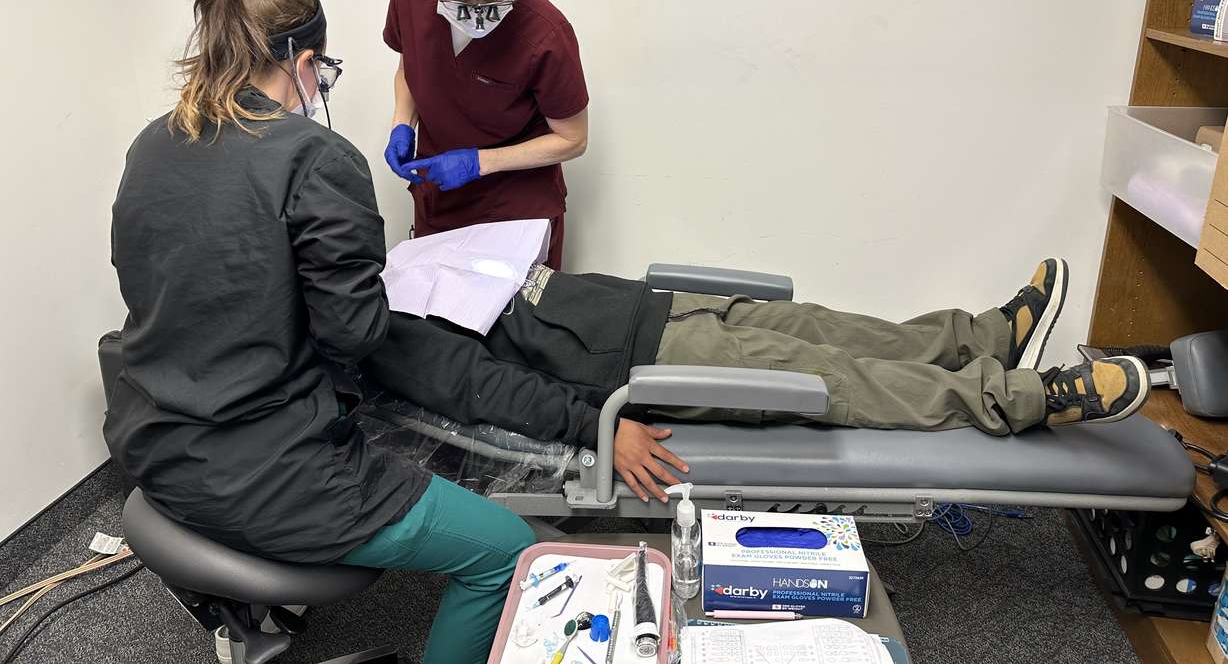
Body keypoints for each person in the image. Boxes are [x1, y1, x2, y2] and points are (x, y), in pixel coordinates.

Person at [104, 0, 533, 664]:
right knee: (505, 550)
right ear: (304, 62)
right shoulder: (315, 156)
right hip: (268, 477)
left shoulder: (152, 144)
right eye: (324, 71)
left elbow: (153, 276)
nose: (320, 85)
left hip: (155, 446)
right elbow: (355, 331)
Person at [366, 257, 1151, 504]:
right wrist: (598, 427)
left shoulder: (394, 265)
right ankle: (1027, 399)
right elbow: (491, 393)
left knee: (818, 324)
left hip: (640, 307)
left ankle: (979, 338)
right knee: (829, 376)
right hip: (637, 366)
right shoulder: (383, 331)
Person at [382, 0, 589, 269]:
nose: (478, 17)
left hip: (516, 210)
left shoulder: (545, 34)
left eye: (494, 0)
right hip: (440, 196)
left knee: (512, 322)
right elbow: (410, 64)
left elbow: (573, 139)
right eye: (461, 1)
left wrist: (478, 163)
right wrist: (401, 123)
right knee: (436, 320)